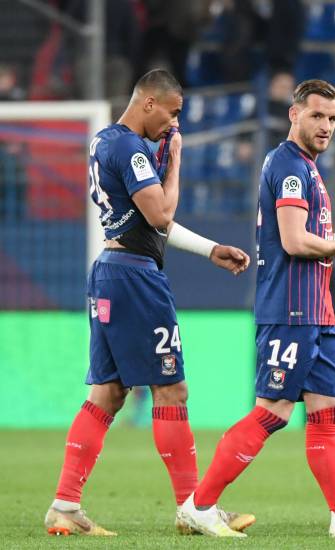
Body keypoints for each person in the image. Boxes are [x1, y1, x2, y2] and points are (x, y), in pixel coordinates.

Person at [178, 79, 335, 539]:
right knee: (273, 412)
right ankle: (200, 506)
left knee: (326, 412)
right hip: (290, 311)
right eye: (317, 116)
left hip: (317, 311)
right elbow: (294, 241)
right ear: (294, 115)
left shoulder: (307, 168)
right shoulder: (288, 165)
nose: (326, 126)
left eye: (333, 119)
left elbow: (311, 238)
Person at [44, 69, 252, 536]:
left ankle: (65, 505)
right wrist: (175, 163)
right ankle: (192, 508)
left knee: (108, 393)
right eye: (173, 113)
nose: (175, 125)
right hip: (136, 278)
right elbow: (160, 213)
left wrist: (210, 249)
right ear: (149, 103)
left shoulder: (105, 142)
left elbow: (148, 222)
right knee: (171, 390)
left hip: (110, 272)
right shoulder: (132, 148)